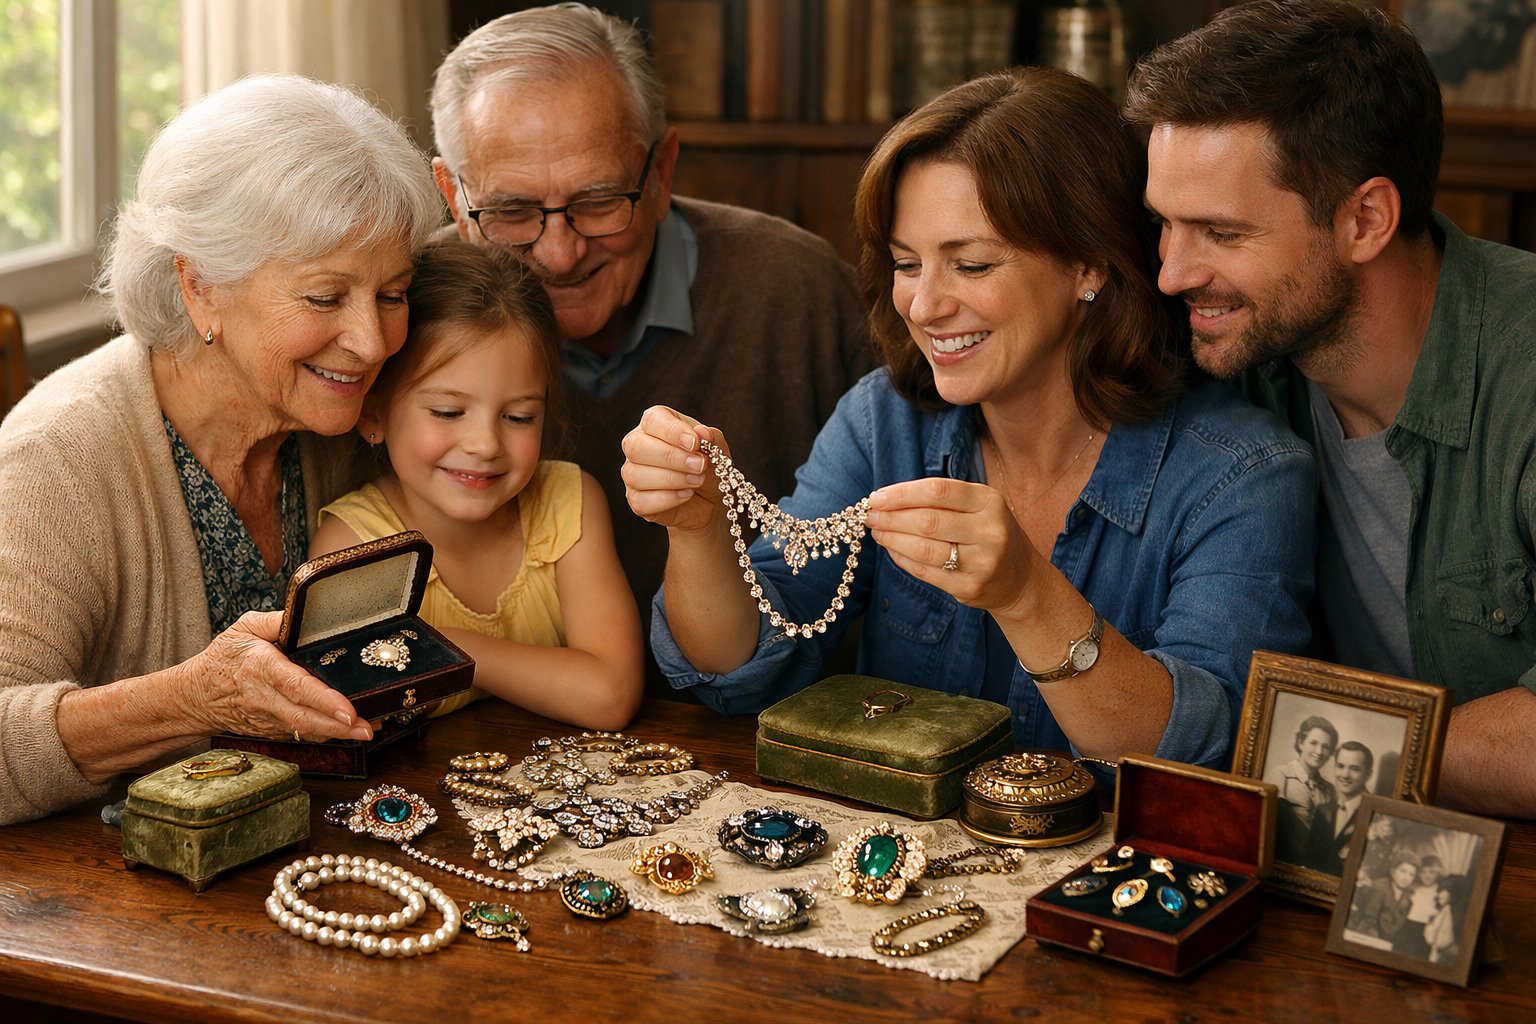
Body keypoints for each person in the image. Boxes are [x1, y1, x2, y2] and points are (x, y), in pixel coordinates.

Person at [620, 67, 1316, 768]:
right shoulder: (883, 420)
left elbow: (1201, 757)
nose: (923, 307)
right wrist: (701, 528)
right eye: (905, 263)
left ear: (1090, 264)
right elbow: (741, 671)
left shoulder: (1244, 476)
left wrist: (1026, 594)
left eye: (973, 265)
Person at [1126, 0, 1536, 817]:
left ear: (1366, 219)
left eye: (1220, 231)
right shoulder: (1239, 356)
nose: (1172, 273)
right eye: (1164, 225)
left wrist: (1307, 743)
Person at [0, 75, 445, 826]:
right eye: (325, 298)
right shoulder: (57, 461)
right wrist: (187, 698)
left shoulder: (345, 417)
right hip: (109, 906)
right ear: (201, 286)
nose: (371, 343)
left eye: (392, 294)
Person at [428, 4, 878, 693]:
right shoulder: (412, 313)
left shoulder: (799, 289)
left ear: (662, 171)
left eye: (600, 200)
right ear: (454, 199)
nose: (559, 251)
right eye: (512, 212)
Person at [312, 240, 643, 729]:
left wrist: (446, 647)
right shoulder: (356, 545)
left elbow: (609, 695)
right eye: (448, 412)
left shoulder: (567, 502)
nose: (486, 444)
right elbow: (345, 717)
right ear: (374, 413)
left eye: (518, 416)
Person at [1267, 716, 1338, 865]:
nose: (1319, 751)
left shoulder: (1329, 789)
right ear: (1300, 743)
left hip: (1316, 863)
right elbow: (1270, 824)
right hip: (1282, 859)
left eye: (1326, 747)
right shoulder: (1282, 775)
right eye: (1313, 743)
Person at [1304, 739, 1374, 876]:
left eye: (1354, 769)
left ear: (1368, 775)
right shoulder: (1323, 810)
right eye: (1340, 766)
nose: (1345, 775)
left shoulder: (1376, 815)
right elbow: (1309, 861)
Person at [1352, 854, 1419, 947]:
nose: (1406, 878)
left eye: (1411, 874)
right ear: (1392, 871)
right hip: (1368, 935)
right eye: (1403, 871)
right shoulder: (1380, 887)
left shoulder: (1408, 897)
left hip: (1389, 940)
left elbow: (1398, 925)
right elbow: (1369, 918)